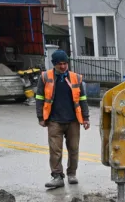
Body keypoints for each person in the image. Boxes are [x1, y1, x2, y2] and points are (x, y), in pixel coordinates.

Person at [36, 50, 89, 189]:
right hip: (54, 121)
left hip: (73, 121)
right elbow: (40, 98)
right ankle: (57, 176)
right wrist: (41, 117)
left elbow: (82, 99)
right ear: (54, 64)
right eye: (60, 64)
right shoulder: (45, 77)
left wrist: (86, 118)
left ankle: (72, 174)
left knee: (74, 149)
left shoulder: (76, 78)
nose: (63, 67)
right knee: (55, 150)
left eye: (65, 63)